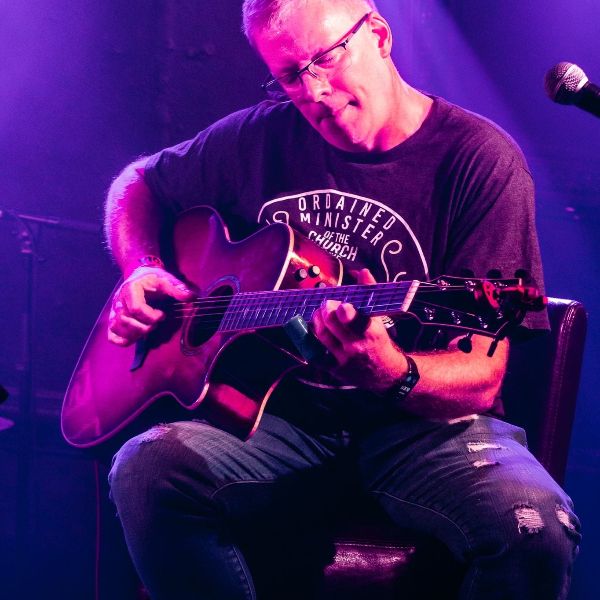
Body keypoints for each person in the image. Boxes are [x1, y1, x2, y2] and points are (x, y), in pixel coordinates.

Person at [106, 0, 581, 598]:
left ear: (378, 35)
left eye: (326, 59)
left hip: (426, 431)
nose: (314, 92)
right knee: (145, 470)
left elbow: (481, 377)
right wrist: (141, 268)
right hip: (275, 422)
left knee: (535, 528)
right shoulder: (258, 137)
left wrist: (391, 371)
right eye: (288, 75)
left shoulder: (480, 160)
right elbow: (136, 184)